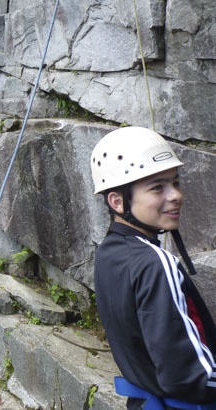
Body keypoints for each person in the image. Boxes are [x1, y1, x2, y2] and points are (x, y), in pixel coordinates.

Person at [90, 127, 216, 407]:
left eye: (176, 182)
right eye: (157, 187)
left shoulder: (108, 253)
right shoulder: (155, 263)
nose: (176, 195)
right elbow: (186, 375)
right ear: (117, 201)